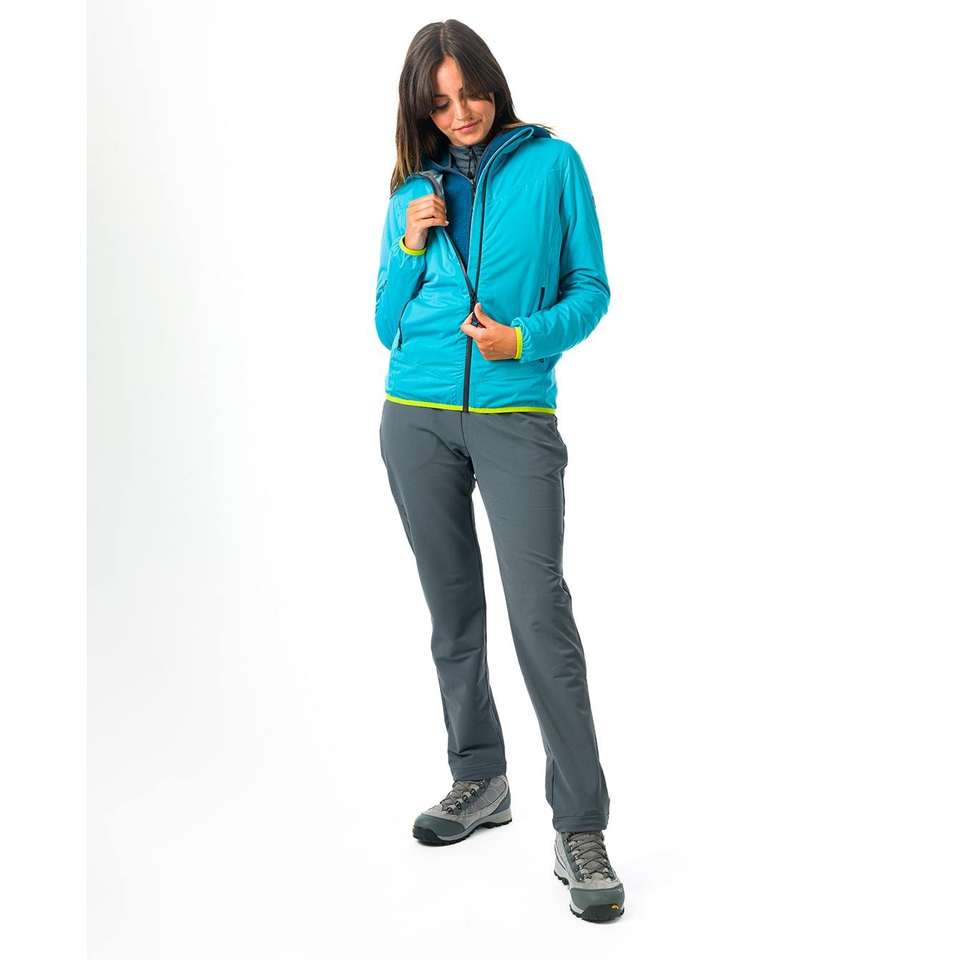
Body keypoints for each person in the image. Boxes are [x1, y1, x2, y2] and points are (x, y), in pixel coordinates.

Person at [375, 20, 624, 923]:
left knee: (539, 616)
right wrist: (411, 244)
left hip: (516, 416)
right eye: (439, 103)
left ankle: (580, 826)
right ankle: (479, 778)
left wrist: (524, 339)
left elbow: (591, 289)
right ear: (422, 110)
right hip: (415, 416)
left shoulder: (554, 165)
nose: (461, 113)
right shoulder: (413, 189)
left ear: (493, 83)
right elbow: (385, 324)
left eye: (470, 92)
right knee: (454, 615)